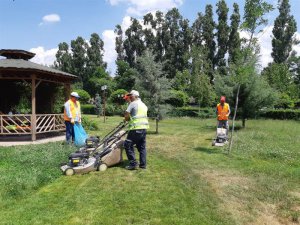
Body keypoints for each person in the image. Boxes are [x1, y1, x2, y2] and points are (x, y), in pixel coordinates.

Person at [123, 90, 149, 170]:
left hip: (135, 129)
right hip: (144, 129)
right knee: (142, 147)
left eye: (131, 96)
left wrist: (126, 119)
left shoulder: (133, 103)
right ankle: (143, 165)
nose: (130, 97)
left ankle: (133, 163)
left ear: (135, 96)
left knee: (127, 145)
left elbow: (127, 115)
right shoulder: (144, 105)